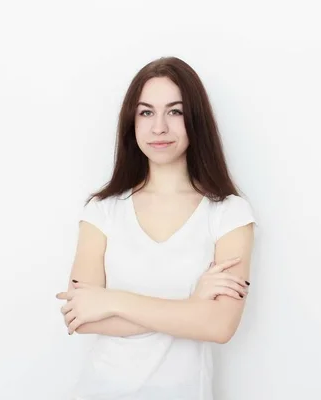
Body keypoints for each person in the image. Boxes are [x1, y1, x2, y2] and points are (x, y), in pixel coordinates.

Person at [55, 56, 257, 400]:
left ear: (196, 121)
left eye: (175, 112)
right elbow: (81, 318)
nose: (159, 127)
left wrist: (112, 300)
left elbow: (219, 326)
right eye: (146, 112)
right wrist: (192, 307)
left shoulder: (229, 214)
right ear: (131, 123)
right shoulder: (102, 210)